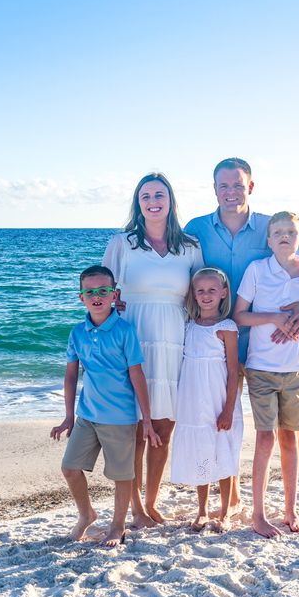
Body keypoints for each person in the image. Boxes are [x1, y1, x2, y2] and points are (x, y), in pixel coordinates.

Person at [185, 157, 299, 525]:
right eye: (224, 185)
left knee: (293, 432)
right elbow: (183, 276)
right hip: (214, 343)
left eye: (238, 184)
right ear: (214, 189)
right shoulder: (195, 229)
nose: (231, 192)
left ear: (250, 187)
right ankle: (231, 499)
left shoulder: (270, 227)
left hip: (265, 349)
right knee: (222, 421)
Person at [103, 173, 203, 525]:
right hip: (134, 337)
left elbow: (198, 293)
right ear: (138, 203)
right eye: (145, 196)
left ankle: (152, 500)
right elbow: (105, 290)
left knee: (163, 426)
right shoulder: (123, 242)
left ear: (171, 200)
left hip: (176, 339)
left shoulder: (189, 245)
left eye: (159, 194)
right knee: (134, 427)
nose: (152, 201)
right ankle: (134, 508)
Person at [234, 211, 299, 539]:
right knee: (266, 438)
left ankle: (290, 509)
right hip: (261, 367)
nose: (284, 237)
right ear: (268, 239)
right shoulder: (257, 270)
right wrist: (276, 318)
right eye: (277, 232)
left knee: (291, 438)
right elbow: (240, 316)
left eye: (291, 232)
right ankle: (259, 515)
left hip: (297, 370)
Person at [51, 265, 161, 547]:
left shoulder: (124, 331)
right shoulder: (77, 333)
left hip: (120, 417)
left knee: (122, 475)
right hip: (86, 415)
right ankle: (86, 515)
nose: (96, 296)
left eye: (103, 291)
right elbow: (71, 375)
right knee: (70, 468)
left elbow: (137, 375)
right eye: (90, 292)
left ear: (115, 295)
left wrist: (146, 419)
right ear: (81, 298)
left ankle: (117, 526)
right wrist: (67, 417)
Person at [170, 267, 242, 532]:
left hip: (218, 398)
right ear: (193, 294)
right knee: (201, 451)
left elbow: (234, 371)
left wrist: (228, 409)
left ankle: (225, 512)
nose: (206, 295)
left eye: (212, 290)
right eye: (200, 290)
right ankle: (201, 510)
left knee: (222, 451)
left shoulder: (226, 328)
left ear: (223, 293)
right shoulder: (188, 324)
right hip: (192, 399)